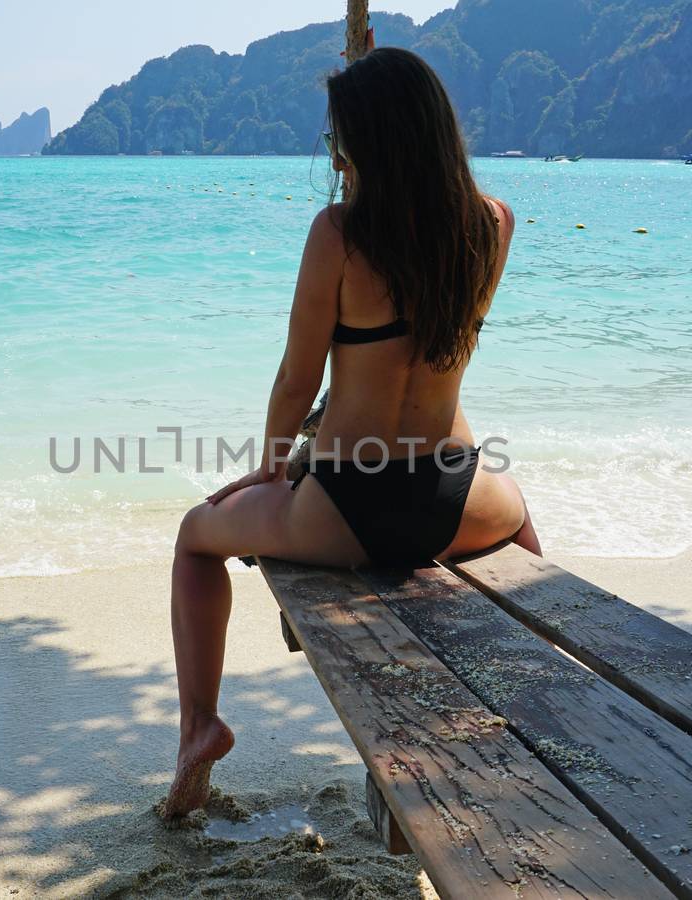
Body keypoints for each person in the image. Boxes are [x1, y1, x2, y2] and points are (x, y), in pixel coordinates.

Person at [163, 46, 540, 817]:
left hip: (348, 508)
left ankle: (198, 728)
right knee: (520, 512)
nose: (334, 155)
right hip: (458, 496)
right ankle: (540, 689)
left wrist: (270, 472)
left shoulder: (337, 233)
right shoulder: (492, 224)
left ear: (368, 143)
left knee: (195, 536)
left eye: (339, 139)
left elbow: (297, 381)